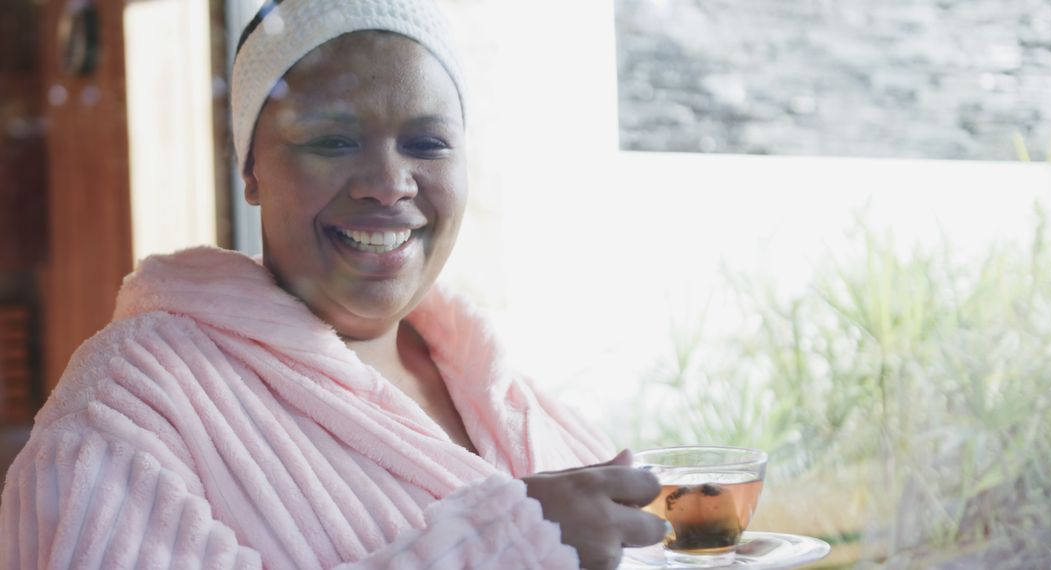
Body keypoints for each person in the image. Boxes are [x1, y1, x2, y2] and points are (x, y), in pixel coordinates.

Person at [0, 0, 665, 568]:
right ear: (251, 169)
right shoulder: (130, 406)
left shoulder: (507, 396)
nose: (387, 182)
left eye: (428, 144)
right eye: (332, 142)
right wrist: (503, 549)